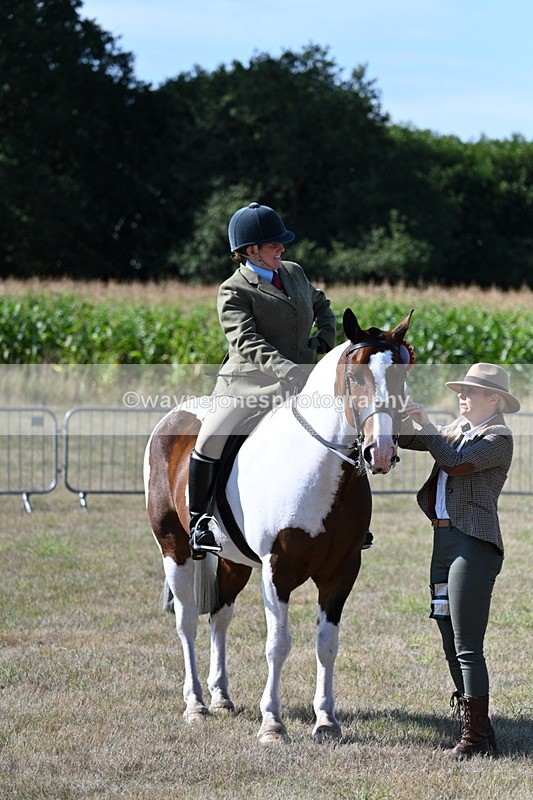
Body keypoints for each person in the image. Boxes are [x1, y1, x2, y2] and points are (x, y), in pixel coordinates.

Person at [188, 202, 336, 559]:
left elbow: (321, 304)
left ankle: (342, 521)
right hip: (249, 386)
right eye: (274, 245)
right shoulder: (233, 290)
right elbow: (246, 342)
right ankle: (201, 522)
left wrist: (324, 341)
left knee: (343, 430)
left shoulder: (294, 273)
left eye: (281, 244)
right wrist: (291, 371)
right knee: (209, 438)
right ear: (250, 251)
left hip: (303, 381)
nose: (282, 249)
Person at [400, 362, 520, 759]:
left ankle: (473, 740)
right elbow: (410, 441)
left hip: (473, 544)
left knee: (467, 645)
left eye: (470, 392)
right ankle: (481, 735)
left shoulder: (498, 437)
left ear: (494, 399)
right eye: (461, 390)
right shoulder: (458, 430)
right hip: (443, 542)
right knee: (450, 641)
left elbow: (453, 463)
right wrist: (395, 412)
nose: (461, 396)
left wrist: (429, 426)